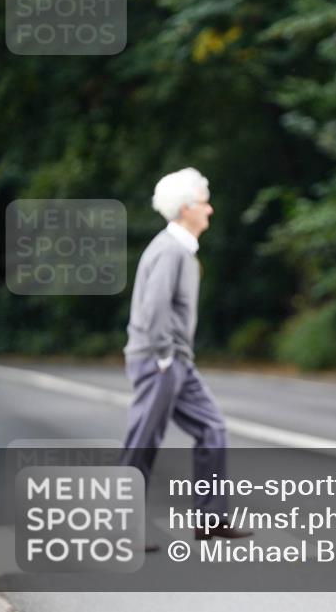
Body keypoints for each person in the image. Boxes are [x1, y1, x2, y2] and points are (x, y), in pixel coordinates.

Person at [120, 167, 251, 551]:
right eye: (204, 203)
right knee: (142, 441)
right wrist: (163, 356)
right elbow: (154, 307)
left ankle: (210, 520)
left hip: (177, 361)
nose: (210, 210)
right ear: (186, 208)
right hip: (160, 359)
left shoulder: (181, 250)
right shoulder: (169, 249)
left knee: (212, 428)